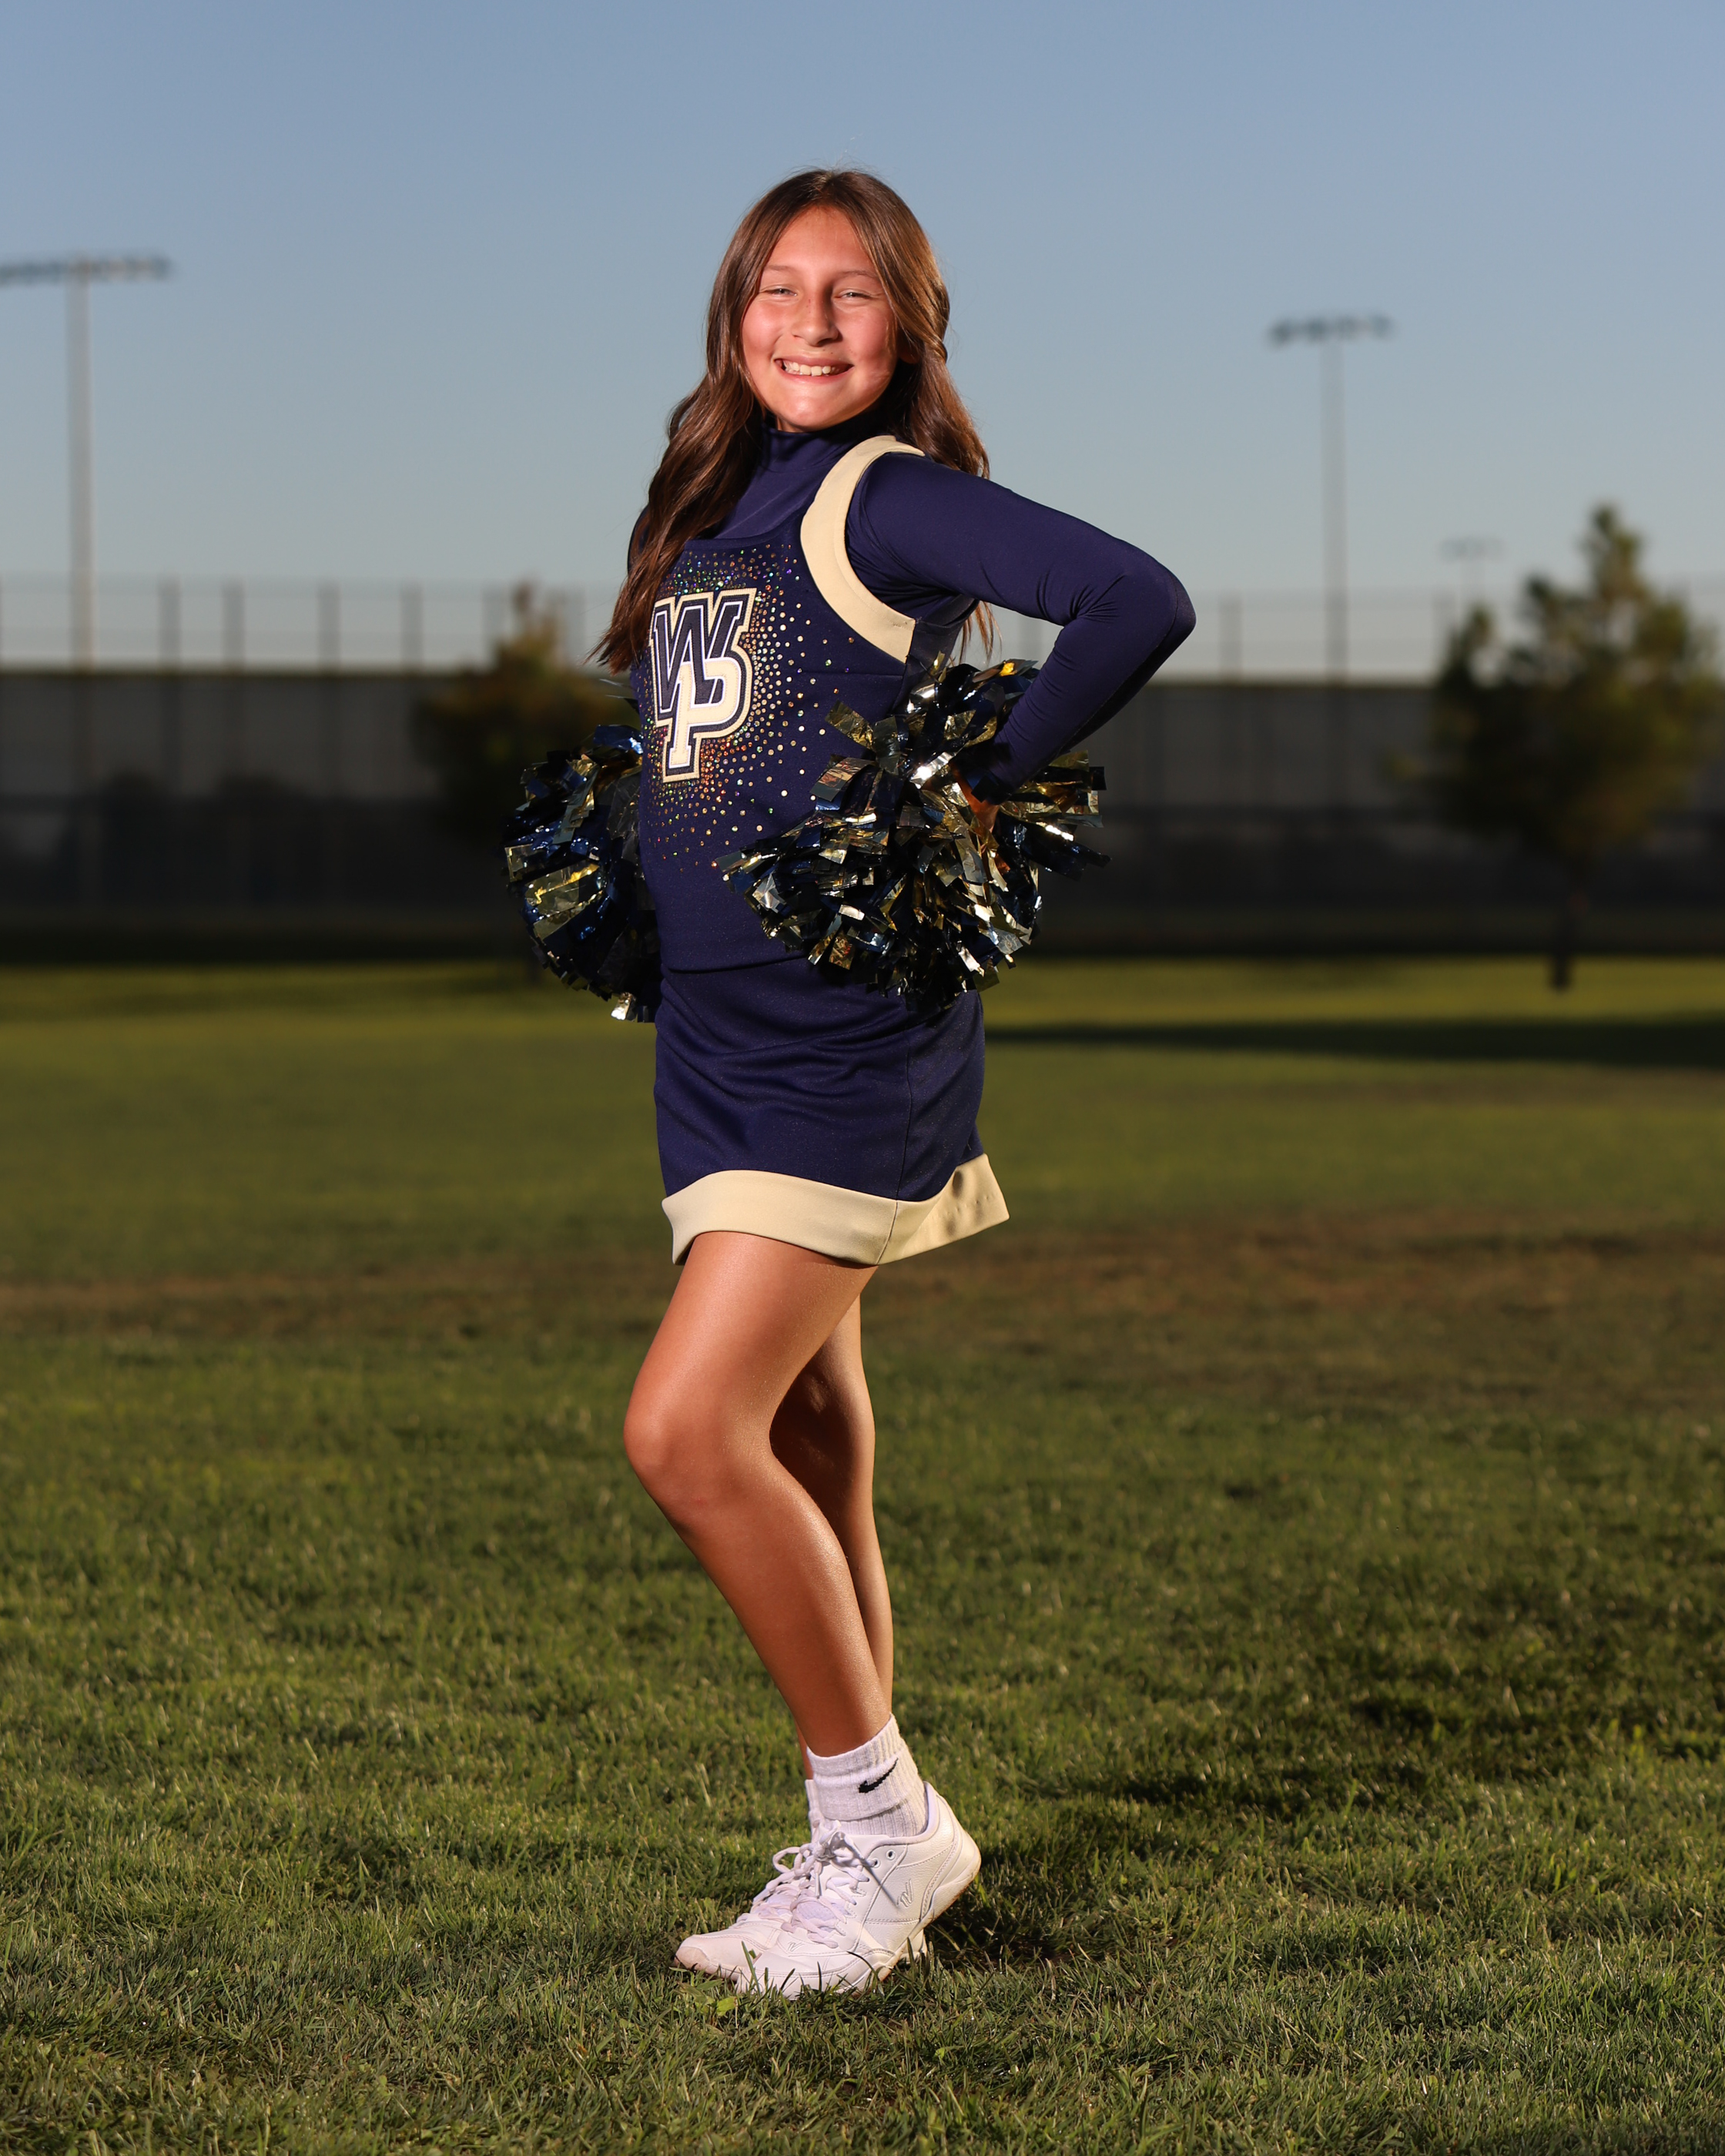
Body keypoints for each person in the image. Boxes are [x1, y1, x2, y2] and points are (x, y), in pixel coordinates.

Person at [600, 169, 1192, 1997]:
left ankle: (878, 1822)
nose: (809, 321)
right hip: (715, 1051)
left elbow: (1135, 598)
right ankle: (865, 1833)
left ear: (908, 325)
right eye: (777, 287)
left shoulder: (885, 491)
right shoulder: (717, 504)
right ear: (732, 314)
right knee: (807, 1441)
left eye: (851, 292)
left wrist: (983, 773)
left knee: (683, 1431)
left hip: (841, 1043)